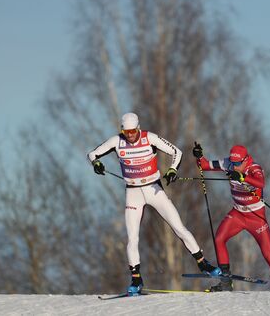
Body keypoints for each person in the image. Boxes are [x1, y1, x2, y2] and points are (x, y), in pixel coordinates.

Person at [87, 113, 221, 295]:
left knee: (179, 228)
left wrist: (173, 169)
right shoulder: (116, 142)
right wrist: (96, 163)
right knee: (132, 238)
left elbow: (177, 152)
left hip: (154, 190)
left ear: (138, 128)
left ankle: (203, 263)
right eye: (126, 132)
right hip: (133, 193)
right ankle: (136, 279)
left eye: (133, 131)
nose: (130, 135)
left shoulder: (149, 138)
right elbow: (92, 153)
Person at [193, 142, 270, 292]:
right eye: (233, 163)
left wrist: (243, 177)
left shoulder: (254, 168)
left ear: (245, 160)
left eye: (237, 163)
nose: (234, 166)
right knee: (219, 238)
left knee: (268, 255)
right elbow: (204, 165)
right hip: (238, 214)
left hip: (256, 217)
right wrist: (199, 156)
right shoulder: (228, 163)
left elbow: (261, 183)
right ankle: (225, 281)